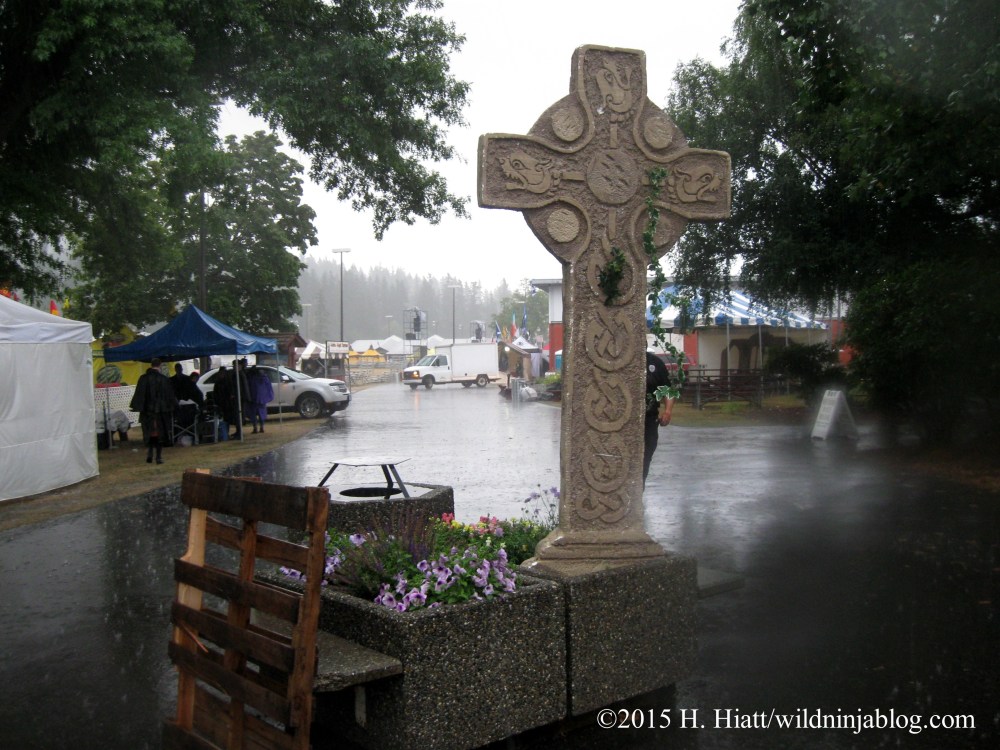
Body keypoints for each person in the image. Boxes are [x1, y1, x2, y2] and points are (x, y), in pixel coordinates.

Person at [130, 358, 178, 464]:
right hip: (160, 412)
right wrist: (173, 406)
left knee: (150, 433)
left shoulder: (143, 379)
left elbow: (139, 395)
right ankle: (158, 457)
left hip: (147, 412)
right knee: (159, 434)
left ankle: (150, 453)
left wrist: (138, 407)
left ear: (151, 365)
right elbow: (170, 396)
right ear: (159, 365)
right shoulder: (164, 379)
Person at [643, 350, 675, 486]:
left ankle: (639, 489)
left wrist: (667, 411)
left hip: (649, 419)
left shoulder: (654, 363)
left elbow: (668, 390)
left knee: (645, 458)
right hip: (623, 422)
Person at [246, 366, 275, 433]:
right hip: (262, 399)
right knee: (262, 413)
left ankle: (255, 428)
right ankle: (261, 427)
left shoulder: (251, 379)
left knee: (253, 414)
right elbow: (269, 389)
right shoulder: (265, 379)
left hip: (253, 399)